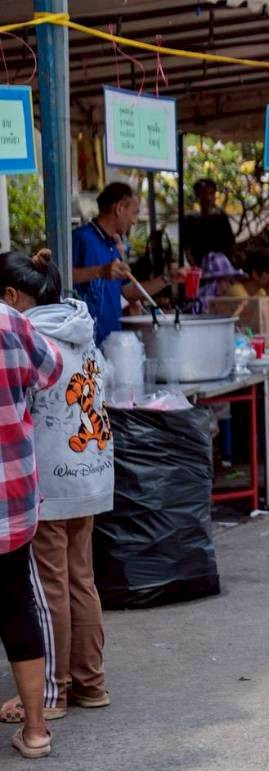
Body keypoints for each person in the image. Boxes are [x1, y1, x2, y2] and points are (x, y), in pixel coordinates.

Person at [0, 253, 112, 726]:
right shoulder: (81, 329)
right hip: (91, 469)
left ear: (12, 297)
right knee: (80, 577)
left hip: (44, 476)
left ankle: (53, 693)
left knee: (50, 588)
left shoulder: (26, 334)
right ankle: (91, 682)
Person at [0, 269, 63, 759]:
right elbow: (52, 369)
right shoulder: (12, 322)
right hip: (11, 494)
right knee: (17, 603)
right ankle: (37, 731)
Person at [71, 182, 167, 346]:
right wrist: (100, 271)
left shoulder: (112, 248)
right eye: (134, 213)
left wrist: (167, 279)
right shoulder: (81, 238)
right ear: (120, 208)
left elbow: (129, 291)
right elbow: (61, 276)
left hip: (112, 340)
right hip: (86, 342)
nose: (135, 221)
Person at [181, 178, 235, 266]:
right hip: (200, 269)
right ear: (198, 196)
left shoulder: (221, 218)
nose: (208, 197)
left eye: (211, 193)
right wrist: (197, 269)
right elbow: (187, 249)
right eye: (204, 193)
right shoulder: (189, 220)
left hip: (221, 269)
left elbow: (230, 246)